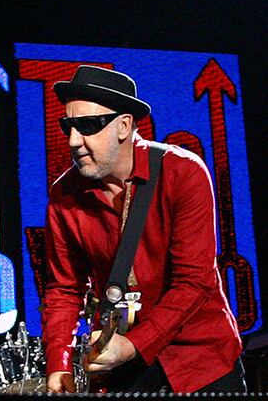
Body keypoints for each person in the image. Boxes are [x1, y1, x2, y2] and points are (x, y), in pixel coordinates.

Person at [42, 65, 245, 394]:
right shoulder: (63, 195)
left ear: (124, 126)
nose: (74, 141)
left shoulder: (183, 173)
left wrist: (132, 344)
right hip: (123, 369)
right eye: (69, 127)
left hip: (201, 361)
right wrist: (58, 364)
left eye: (88, 126)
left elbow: (195, 282)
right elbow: (63, 291)